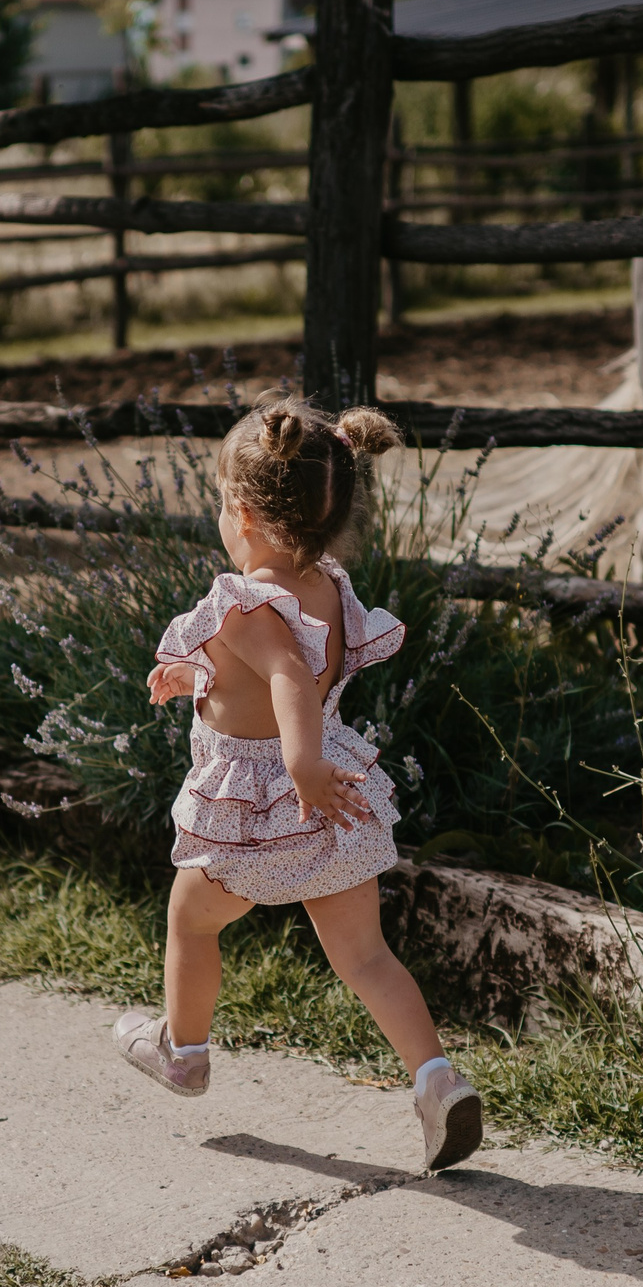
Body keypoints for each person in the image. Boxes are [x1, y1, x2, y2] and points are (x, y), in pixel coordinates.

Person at [116, 395, 484, 1171]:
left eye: (223, 503)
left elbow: (285, 674)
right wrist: (195, 675)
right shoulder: (329, 588)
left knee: (190, 920)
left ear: (246, 515)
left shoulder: (243, 604)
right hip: (332, 801)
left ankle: (183, 1050)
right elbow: (278, 670)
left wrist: (302, 765)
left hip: (260, 805)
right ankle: (438, 1082)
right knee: (367, 956)